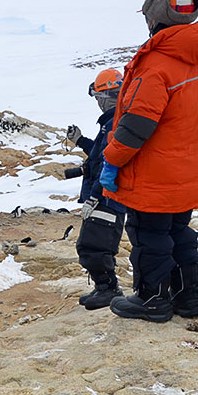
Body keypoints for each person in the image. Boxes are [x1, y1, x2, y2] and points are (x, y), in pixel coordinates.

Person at [100, 0, 198, 322]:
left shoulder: (157, 63)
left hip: (156, 174)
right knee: (179, 232)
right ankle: (186, 299)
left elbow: (136, 126)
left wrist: (110, 159)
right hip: (189, 171)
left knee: (149, 236)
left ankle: (153, 300)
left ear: (155, 18)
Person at [65, 69, 127, 310]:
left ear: (107, 96)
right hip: (106, 196)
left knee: (93, 245)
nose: (97, 102)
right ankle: (103, 287)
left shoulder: (115, 122)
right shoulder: (113, 122)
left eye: (98, 96)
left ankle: (109, 289)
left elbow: (107, 162)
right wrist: (80, 141)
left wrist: (94, 195)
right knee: (95, 243)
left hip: (107, 198)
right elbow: (99, 155)